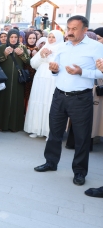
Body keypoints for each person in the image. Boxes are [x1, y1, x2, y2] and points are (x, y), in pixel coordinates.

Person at [34, 15, 103, 186]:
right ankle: (51, 162)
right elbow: (55, 69)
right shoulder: (63, 47)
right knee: (54, 132)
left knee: (81, 137)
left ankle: (79, 172)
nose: (70, 32)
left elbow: (101, 73)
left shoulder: (96, 47)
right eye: (68, 28)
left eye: (74, 29)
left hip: (81, 98)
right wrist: (54, 69)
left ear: (85, 30)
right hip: (59, 95)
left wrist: (82, 72)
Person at [24, 30, 64, 138]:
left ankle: (49, 132)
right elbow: (33, 63)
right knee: (38, 100)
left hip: (53, 79)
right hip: (40, 78)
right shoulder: (44, 47)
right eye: (49, 36)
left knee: (49, 103)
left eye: (53, 37)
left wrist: (49, 56)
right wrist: (41, 55)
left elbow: (60, 65)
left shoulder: (62, 49)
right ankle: (36, 129)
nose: (50, 39)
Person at [0, 29, 30, 132]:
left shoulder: (22, 48)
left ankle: (14, 125)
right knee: (2, 100)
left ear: (18, 38)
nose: (13, 39)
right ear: (8, 38)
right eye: (11, 37)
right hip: (4, 78)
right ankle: (0, 124)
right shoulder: (2, 47)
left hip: (18, 80)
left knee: (15, 100)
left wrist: (22, 54)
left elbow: (28, 62)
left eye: (15, 37)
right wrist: (4, 54)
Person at [24, 32, 40, 112]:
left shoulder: (38, 50)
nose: (32, 40)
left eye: (34, 38)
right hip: (23, 76)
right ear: (26, 38)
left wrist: (36, 56)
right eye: (30, 38)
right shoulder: (22, 48)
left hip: (34, 76)